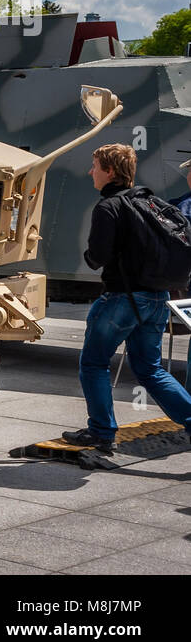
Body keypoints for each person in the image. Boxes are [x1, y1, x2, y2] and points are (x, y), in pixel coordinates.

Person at [64, 143, 191, 452]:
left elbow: (98, 255)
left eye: (95, 166)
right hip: (158, 299)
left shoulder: (109, 206)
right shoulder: (152, 203)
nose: (90, 172)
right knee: (150, 369)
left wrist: (90, 254)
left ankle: (102, 432)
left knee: (94, 363)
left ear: (110, 172)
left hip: (122, 299)